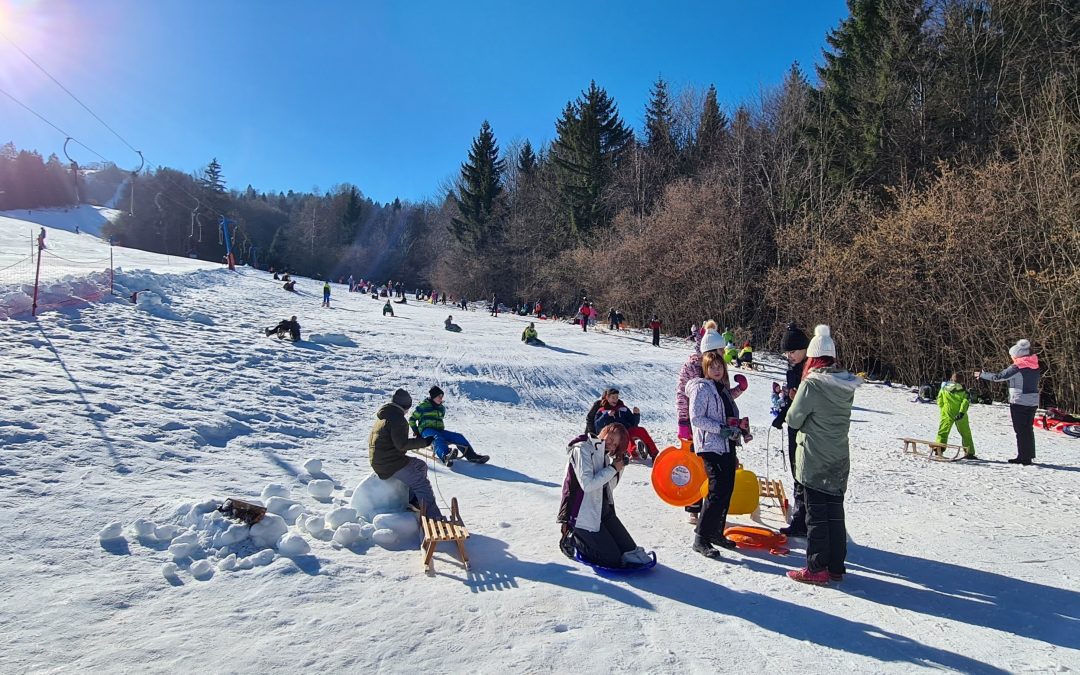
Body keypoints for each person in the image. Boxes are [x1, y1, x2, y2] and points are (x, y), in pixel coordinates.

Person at [784, 325, 861, 585]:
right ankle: (836, 567)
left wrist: (797, 401)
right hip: (839, 457)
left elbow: (794, 419)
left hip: (815, 458)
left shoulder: (812, 384)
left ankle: (817, 568)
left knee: (816, 516)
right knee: (835, 514)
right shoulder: (846, 385)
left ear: (813, 358)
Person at [685, 330, 749, 559]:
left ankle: (716, 533)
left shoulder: (719, 388)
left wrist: (739, 428)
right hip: (711, 445)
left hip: (727, 443)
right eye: (712, 366)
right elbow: (697, 419)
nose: (717, 369)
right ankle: (701, 537)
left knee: (726, 490)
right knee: (716, 491)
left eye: (720, 366)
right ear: (705, 367)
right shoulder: (701, 388)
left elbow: (725, 410)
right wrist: (719, 429)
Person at [557, 423, 652, 568]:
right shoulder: (582, 448)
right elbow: (588, 485)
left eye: (615, 445)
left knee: (631, 553)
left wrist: (618, 468)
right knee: (611, 559)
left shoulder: (604, 456)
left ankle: (596, 539)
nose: (611, 444)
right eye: (611, 438)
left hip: (601, 510)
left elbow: (608, 487)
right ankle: (573, 540)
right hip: (581, 516)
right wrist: (613, 468)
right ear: (604, 432)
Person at [369, 390, 443, 519]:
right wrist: (424, 441)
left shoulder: (386, 416)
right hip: (390, 463)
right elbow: (402, 445)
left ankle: (414, 501)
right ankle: (434, 518)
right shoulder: (398, 419)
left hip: (383, 460)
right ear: (406, 406)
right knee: (421, 483)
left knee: (420, 465)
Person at [772, 323, 810, 537]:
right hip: (794, 425)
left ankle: (803, 519)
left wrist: (794, 401)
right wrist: (782, 414)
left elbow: (802, 400)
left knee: (803, 471)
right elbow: (791, 400)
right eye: (787, 352)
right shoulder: (793, 370)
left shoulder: (809, 370)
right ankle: (799, 517)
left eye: (793, 351)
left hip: (806, 428)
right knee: (796, 471)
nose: (790, 355)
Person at [977, 339, 1041, 465]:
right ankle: (1028, 456)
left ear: (1017, 355)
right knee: (1028, 429)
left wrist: (982, 375)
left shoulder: (1017, 367)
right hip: (1032, 401)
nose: (1011, 358)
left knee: (1020, 430)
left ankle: (1023, 457)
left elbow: (999, 377)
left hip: (1019, 401)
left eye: (1012, 355)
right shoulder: (1035, 365)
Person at [409, 386, 489, 465]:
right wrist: (417, 432)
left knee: (458, 436)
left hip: (439, 430)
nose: (441, 398)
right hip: (426, 430)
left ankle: (472, 456)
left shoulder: (441, 408)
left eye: (442, 396)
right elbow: (412, 419)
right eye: (439, 396)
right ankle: (446, 456)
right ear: (433, 396)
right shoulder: (423, 406)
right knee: (436, 437)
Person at [587, 388, 660, 460]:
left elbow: (633, 423)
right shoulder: (602, 411)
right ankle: (633, 451)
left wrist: (636, 415)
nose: (615, 399)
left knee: (640, 430)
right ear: (607, 398)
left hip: (626, 431)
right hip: (611, 436)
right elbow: (597, 426)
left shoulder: (623, 409)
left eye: (616, 397)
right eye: (613, 397)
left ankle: (654, 454)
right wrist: (606, 415)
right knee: (622, 437)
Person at [936, 372, 976, 459]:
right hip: (960, 414)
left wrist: (943, 408)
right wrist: (961, 412)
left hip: (947, 411)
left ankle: (938, 449)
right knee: (966, 433)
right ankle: (969, 452)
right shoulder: (964, 392)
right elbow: (964, 403)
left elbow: (939, 400)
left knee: (943, 430)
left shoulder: (944, 388)